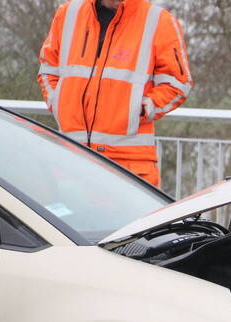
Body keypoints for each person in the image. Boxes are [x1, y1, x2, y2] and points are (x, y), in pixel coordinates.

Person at [37, 0, 193, 187]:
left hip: (128, 164)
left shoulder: (159, 21)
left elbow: (178, 83)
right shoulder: (68, 13)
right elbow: (48, 69)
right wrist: (58, 103)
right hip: (71, 158)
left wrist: (142, 109)